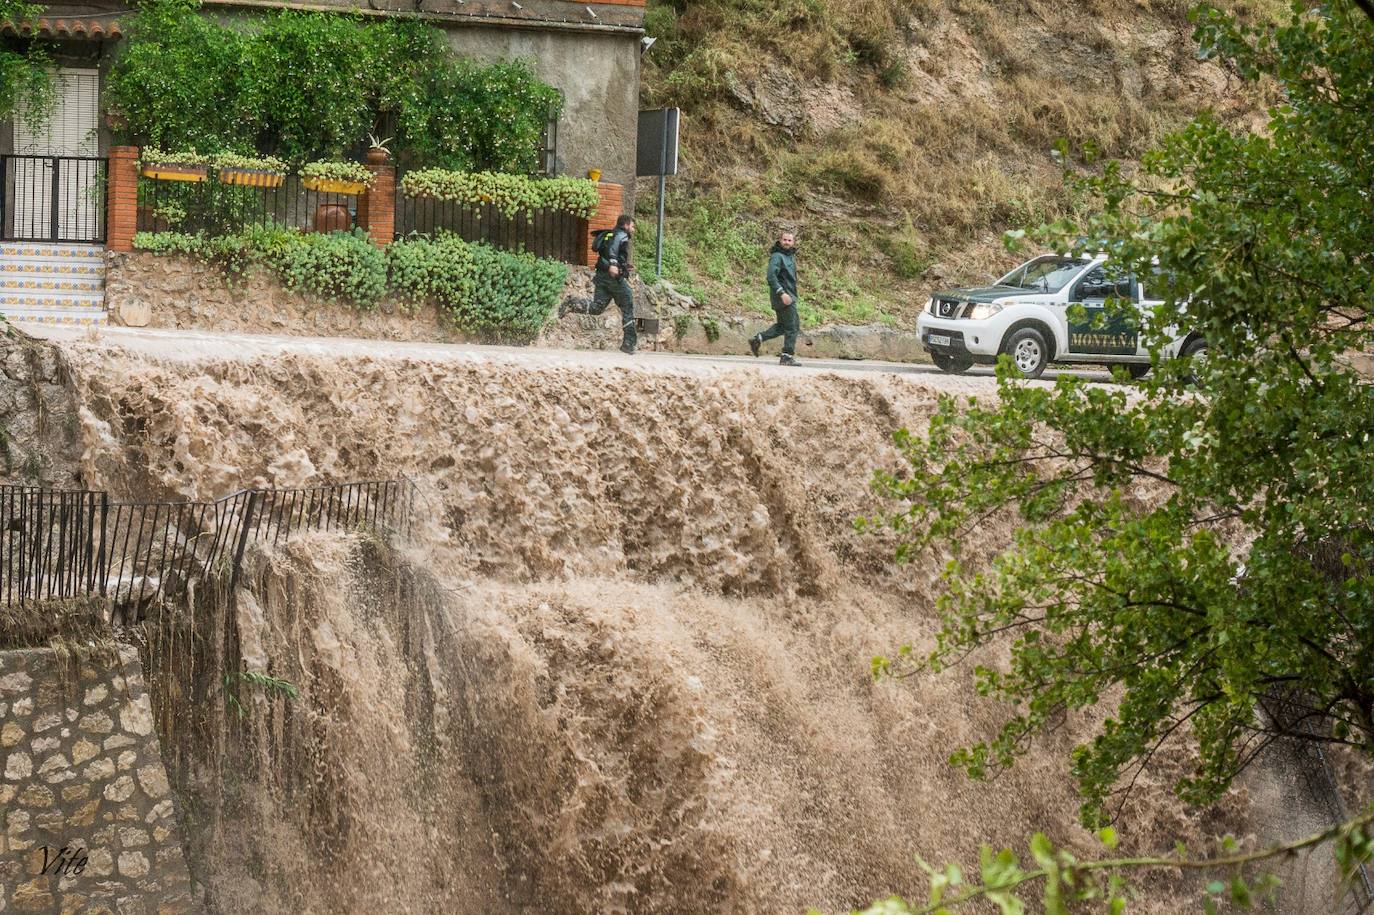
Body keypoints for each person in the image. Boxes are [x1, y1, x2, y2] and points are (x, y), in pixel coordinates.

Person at [561, 214, 638, 354]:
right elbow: (613, 251)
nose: (633, 229)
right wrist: (614, 264)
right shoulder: (621, 235)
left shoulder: (610, 234)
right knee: (627, 302)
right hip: (613, 278)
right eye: (632, 226)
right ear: (626, 225)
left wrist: (625, 266)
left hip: (601, 276)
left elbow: (607, 254)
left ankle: (572, 303)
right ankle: (629, 343)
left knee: (597, 307)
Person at [749, 232, 800, 366]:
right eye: (784, 240)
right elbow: (771, 277)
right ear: (780, 240)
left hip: (789, 296)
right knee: (792, 327)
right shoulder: (777, 256)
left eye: (789, 240)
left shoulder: (789, 257)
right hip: (783, 297)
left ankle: (758, 339)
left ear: (793, 242)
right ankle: (786, 356)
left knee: (783, 326)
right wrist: (782, 293)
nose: (787, 242)